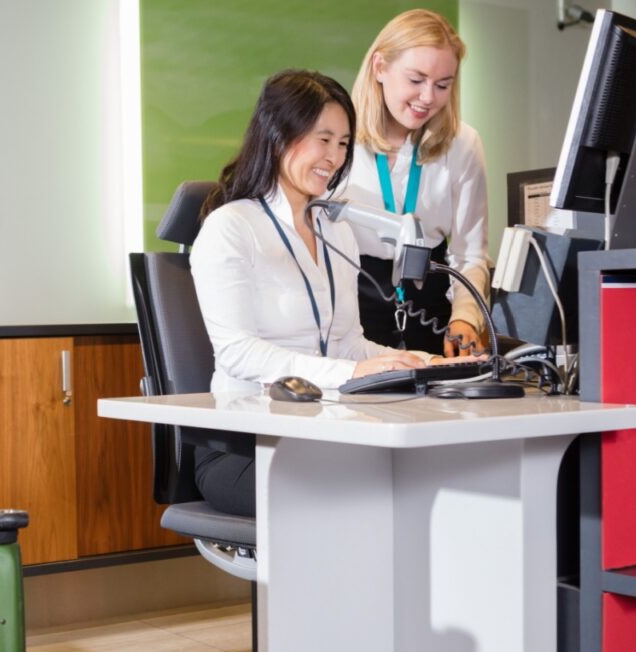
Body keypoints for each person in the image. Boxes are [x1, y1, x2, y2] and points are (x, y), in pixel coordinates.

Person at [189, 69, 466, 517]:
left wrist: (415, 362)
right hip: (246, 445)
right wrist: (348, 374)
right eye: (323, 140)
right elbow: (237, 352)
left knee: (428, 475)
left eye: (342, 143)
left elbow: (349, 342)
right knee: (371, 495)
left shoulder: (335, 229)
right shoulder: (231, 228)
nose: (335, 157)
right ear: (279, 136)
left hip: (324, 431)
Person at [345, 9, 491, 356]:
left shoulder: (463, 144)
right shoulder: (338, 139)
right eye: (416, 80)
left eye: (443, 85)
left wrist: (467, 318)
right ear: (380, 68)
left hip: (433, 317)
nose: (428, 97)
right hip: (352, 319)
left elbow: (470, 252)